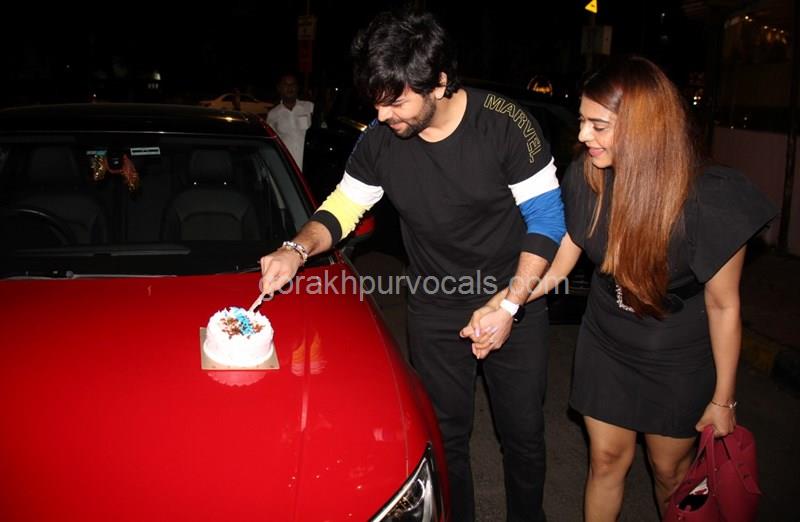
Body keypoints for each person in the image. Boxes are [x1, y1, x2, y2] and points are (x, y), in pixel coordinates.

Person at [258, 10, 565, 522]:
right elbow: (343, 207)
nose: (382, 117)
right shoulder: (381, 140)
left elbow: (547, 218)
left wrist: (510, 304)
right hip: (435, 306)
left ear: (439, 82)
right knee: (444, 438)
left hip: (511, 294)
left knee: (523, 437)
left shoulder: (505, 124)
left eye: (396, 102)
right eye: (376, 103)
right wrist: (296, 249)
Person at [464, 55, 777, 520]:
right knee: (606, 461)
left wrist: (722, 400)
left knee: (670, 472)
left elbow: (723, 306)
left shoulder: (711, 197)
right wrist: (506, 303)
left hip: (677, 351)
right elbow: (560, 264)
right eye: (582, 121)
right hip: (607, 339)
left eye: (598, 125)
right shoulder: (589, 177)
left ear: (644, 129)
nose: (582, 135)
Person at [267, 73, 314, 170]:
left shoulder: (309, 107)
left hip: (309, 166)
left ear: (297, 87)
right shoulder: (273, 114)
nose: (290, 87)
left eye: (293, 84)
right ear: (279, 88)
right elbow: (270, 143)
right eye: (286, 84)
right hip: (287, 168)